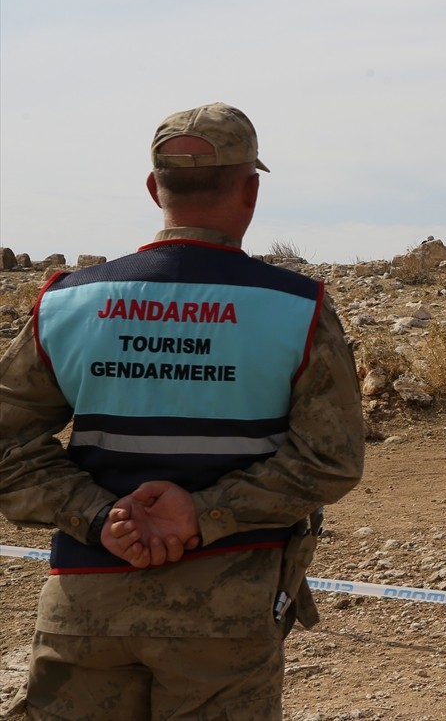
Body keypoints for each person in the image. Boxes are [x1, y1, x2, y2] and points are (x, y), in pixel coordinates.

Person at [0, 102, 366, 719]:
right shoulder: (296, 309)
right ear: (250, 191)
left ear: (153, 187)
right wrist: (199, 516)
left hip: (84, 608)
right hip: (226, 614)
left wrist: (100, 517)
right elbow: (330, 459)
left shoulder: (67, 303)